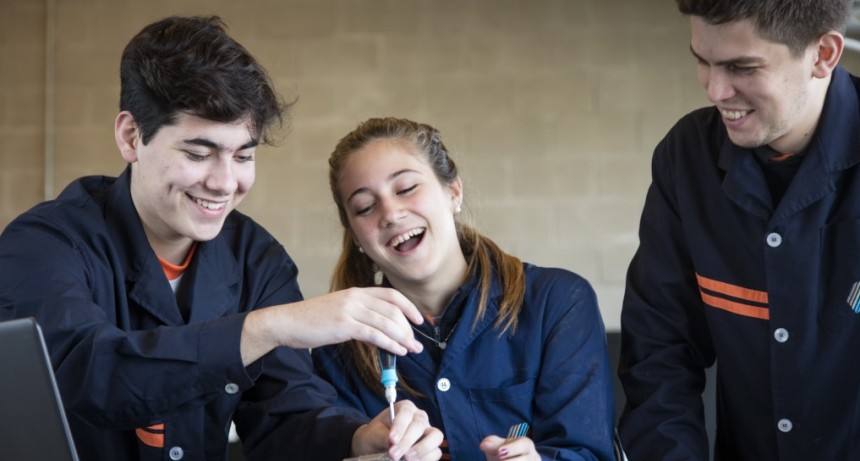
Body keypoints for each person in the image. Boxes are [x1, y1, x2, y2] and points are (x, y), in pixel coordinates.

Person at [0, 16, 443, 461]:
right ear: (131, 137)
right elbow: (86, 378)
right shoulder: (43, 244)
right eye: (198, 153)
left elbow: (285, 415)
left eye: (243, 155)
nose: (225, 183)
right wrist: (268, 327)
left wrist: (355, 438)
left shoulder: (257, 259)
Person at [617, 0, 859, 459]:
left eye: (741, 67)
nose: (715, 90)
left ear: (823, 54)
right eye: (702, 62)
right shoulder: (685, 158)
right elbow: (660, 352)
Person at [312, 117, 617, 460]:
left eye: (406, 188)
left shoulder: (558, 302)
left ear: (453, 192)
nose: (391, 214)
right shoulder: (338, 348)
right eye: (365, 207)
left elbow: (589, 451)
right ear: (355, 237)